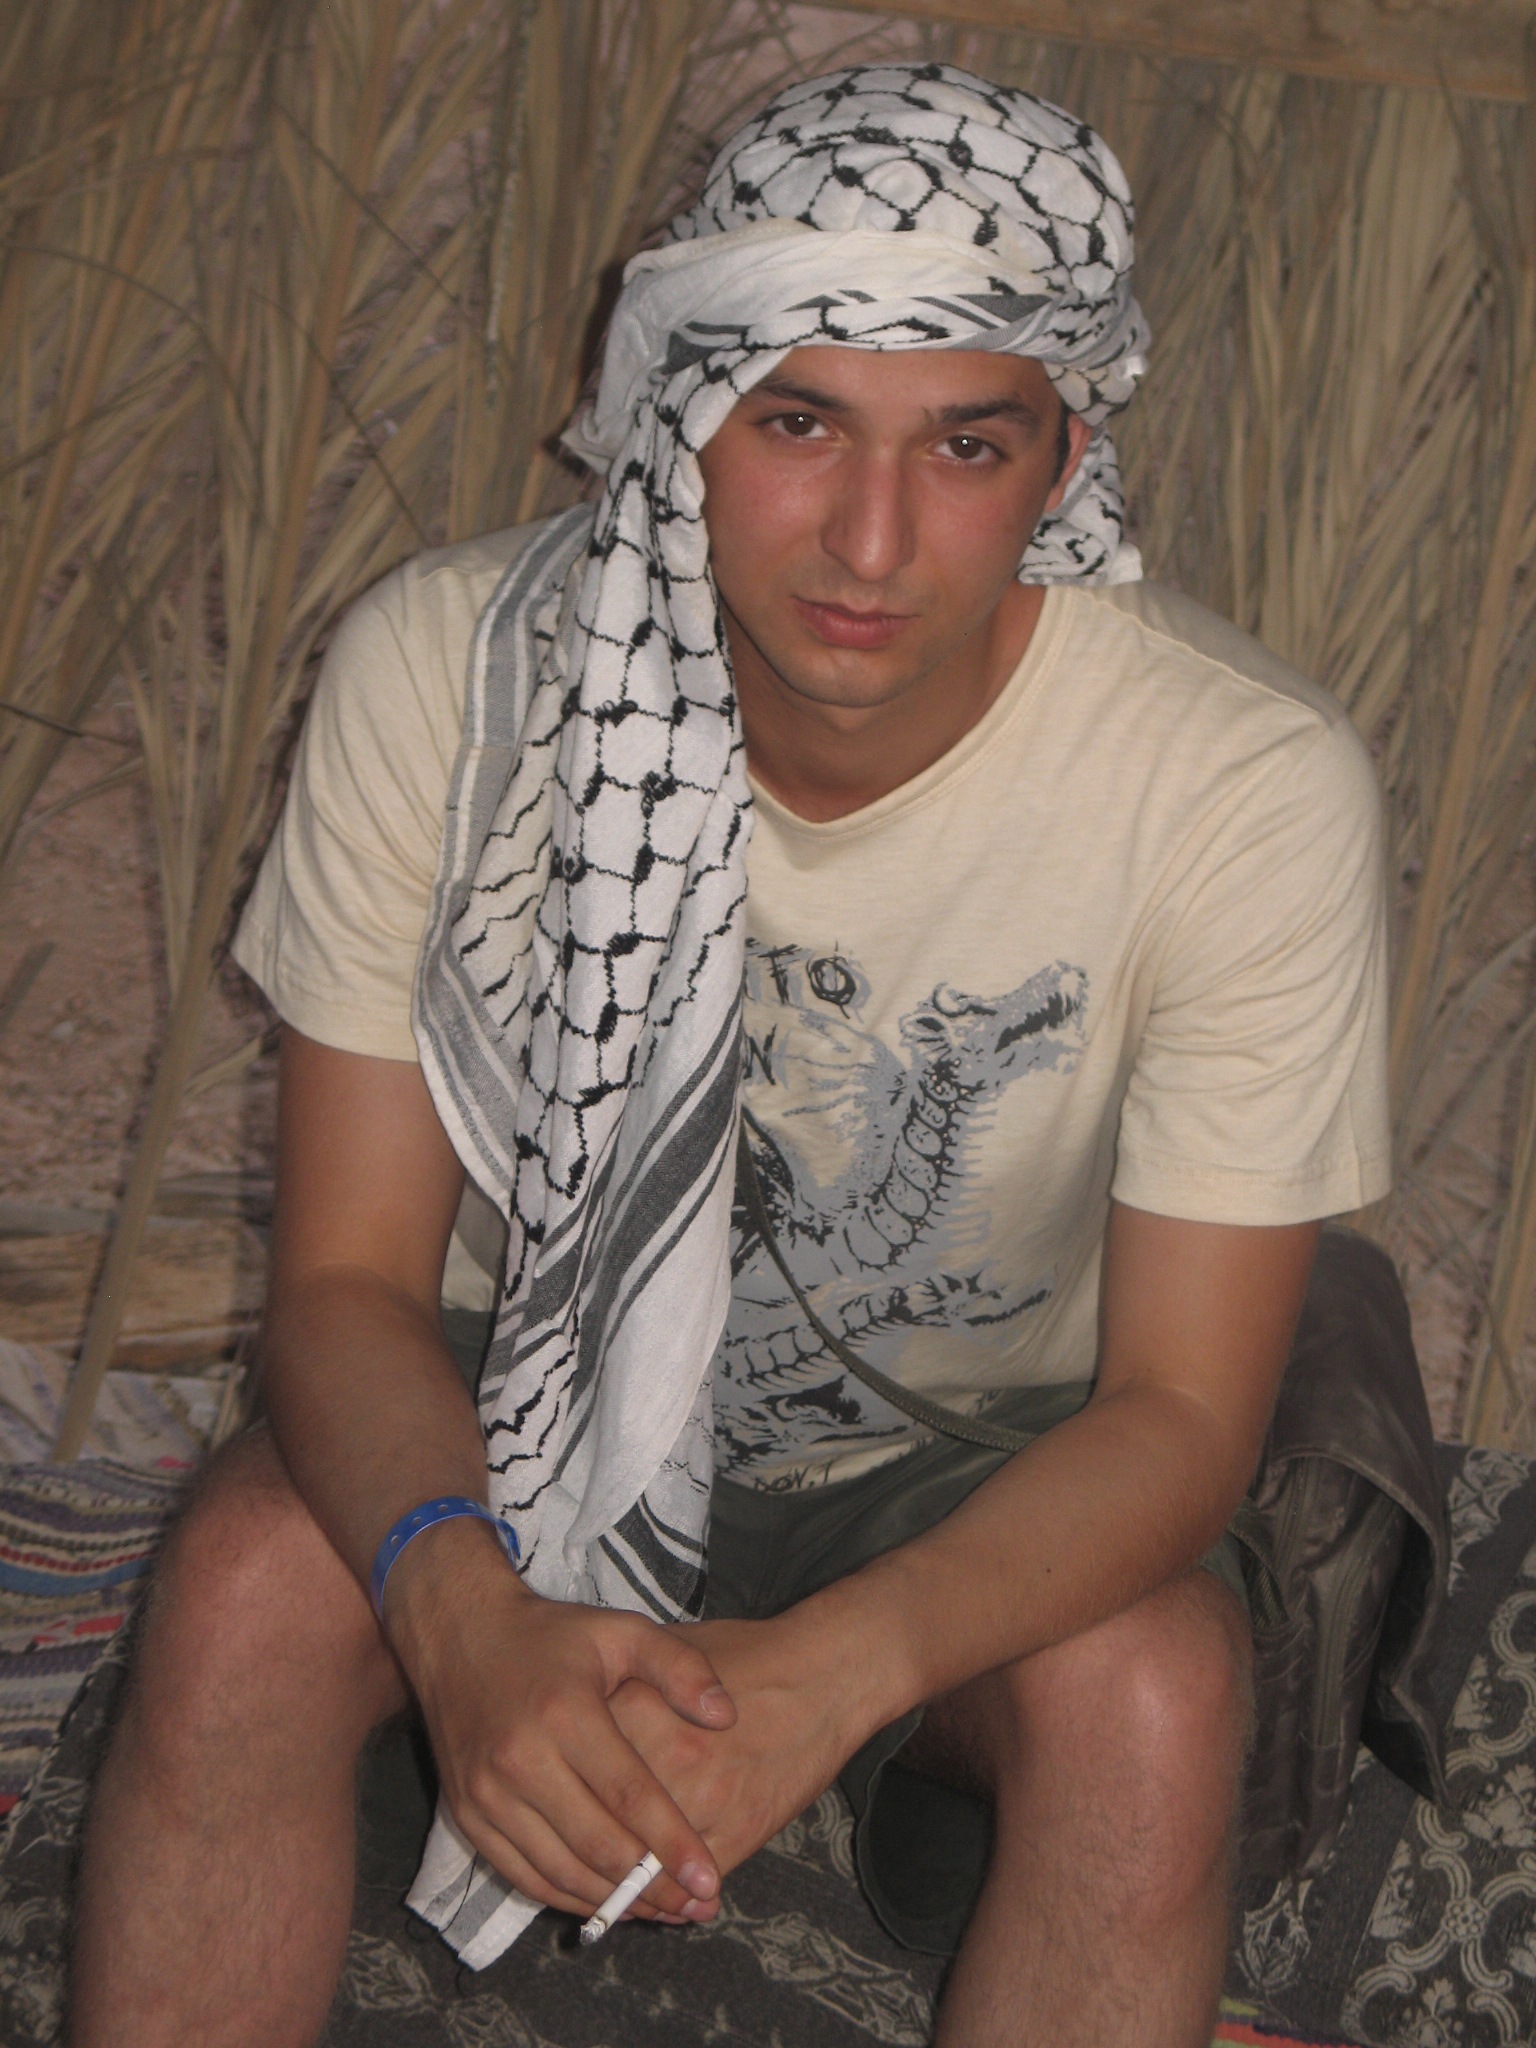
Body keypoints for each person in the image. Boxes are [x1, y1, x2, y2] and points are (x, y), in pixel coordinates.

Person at [69, 64, 1397, 2048]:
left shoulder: (1239, 789)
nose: (870, 537)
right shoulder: (451, 677)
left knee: (1155, 1689)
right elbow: (344, 1283)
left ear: (1064, 459)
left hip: (966, 1458)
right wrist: (462, 1611)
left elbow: (1183, 1417)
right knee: (254, 1578)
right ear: (683, 411)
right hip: (521, 1386)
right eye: (796, 421)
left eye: (965, 443)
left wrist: (832, 1674)